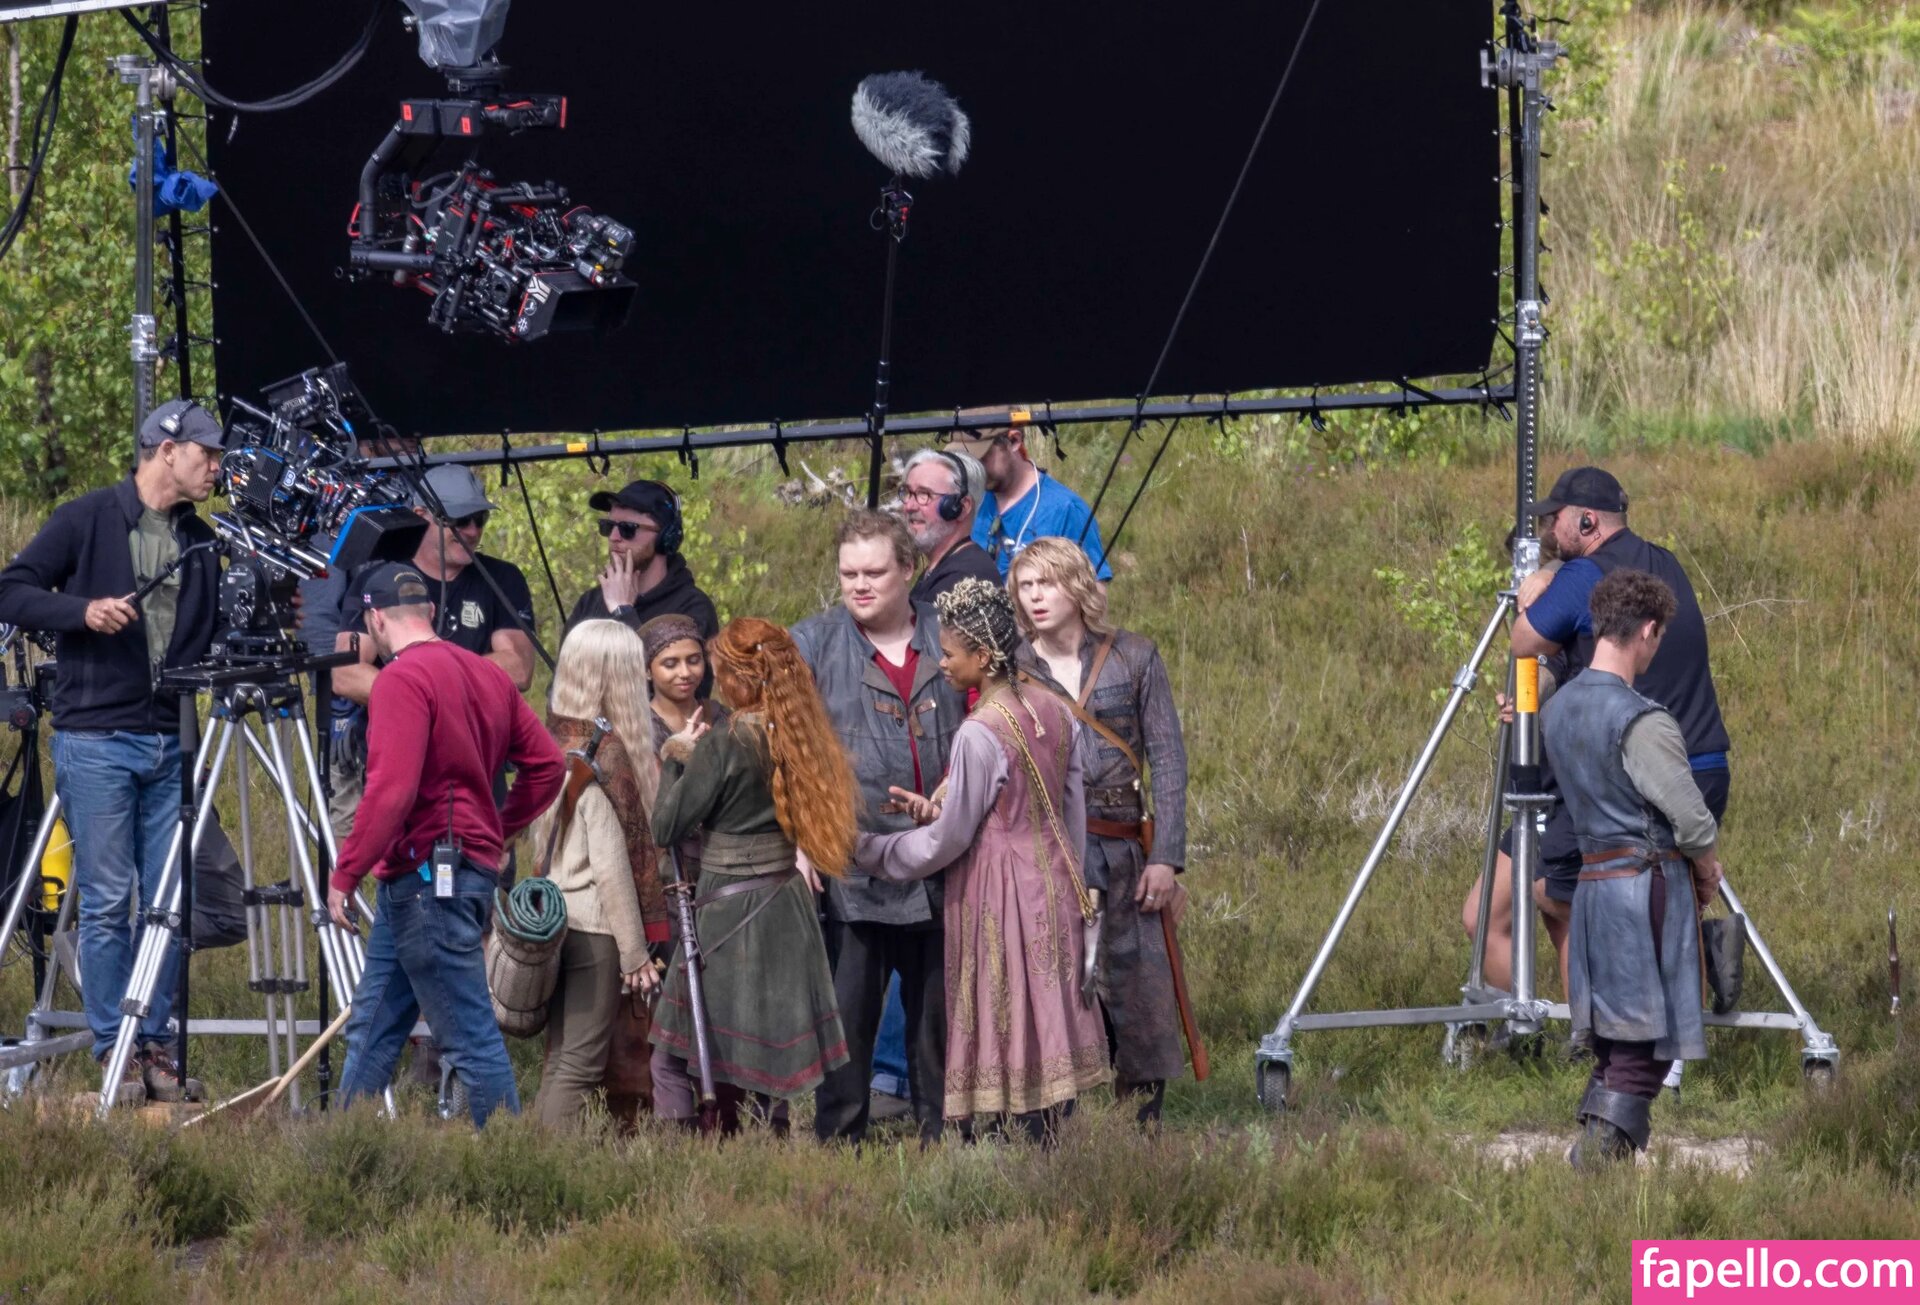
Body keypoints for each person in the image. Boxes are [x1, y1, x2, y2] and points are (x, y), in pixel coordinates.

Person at [0, 399, 226, 1106]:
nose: (216, 469)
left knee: (166, 905)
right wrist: (83, 611)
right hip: (97, 737)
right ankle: (114, 1047)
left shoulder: (202, 540)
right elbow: (11, 591)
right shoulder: (87, 517)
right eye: (207, 454)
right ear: (167, 449)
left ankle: (153, 1042)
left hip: (171, 738)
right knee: (104, 902)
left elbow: (212, 632)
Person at [1464, 467, 1730, 1027]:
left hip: (1634, 775)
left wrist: (1544, 581)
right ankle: (1600, 1033)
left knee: (1570, 898)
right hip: (1699, 765)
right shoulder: (1665, 563)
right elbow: (1571, 658)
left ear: (1587, 522)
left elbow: (1524, 640)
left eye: (1555, 519)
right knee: (1605, 902)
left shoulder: (1585, 574)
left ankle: (1612, 1035)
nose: (1548, 530)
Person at [857, 579, 1109, 1143]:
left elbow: (948, 840)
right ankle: (1052, 1133)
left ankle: (1016, 1132)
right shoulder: (1053, 709)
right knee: (1045, 1003)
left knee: (1006, 1002)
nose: (942, 663)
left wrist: (873, 852)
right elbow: (1071, 811)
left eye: (949, 653)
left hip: (998, 886)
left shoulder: (979, 731)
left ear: (984, 656)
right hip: (1055, 878)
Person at [327, 564, 564, 1127]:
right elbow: (549, 766)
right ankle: (343, 1150)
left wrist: (345, 873)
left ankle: (508, 1164)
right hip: (443, 875)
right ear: (430, 612)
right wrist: (499, 828)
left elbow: (392, 792)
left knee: (470, 1038)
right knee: (372, 1027)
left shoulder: (400, 680)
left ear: (375, 620)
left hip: (427, 880)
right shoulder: (487, 674)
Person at [792, 511, 968, 1145]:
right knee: (846, 1024)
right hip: (852, 867)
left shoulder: (954, 636)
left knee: (938, 1025)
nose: (859, 586)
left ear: (908, 569)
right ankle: (839, 1149)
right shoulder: (811, 644)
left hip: (942, 863)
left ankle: (944, 1142)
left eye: (873, 573)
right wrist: (798, 843)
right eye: (849, 575)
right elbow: (783, 751)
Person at [1540, 570, 1721, 1167]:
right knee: (1642, 1049)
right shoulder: (1642, 720)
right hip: (1644, 891)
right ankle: (1591, 1167)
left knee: (1616, 1045)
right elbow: (1692, 822)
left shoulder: (1557, 709)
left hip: (1594, 891)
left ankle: (1594, 1173)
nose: (1655, 648)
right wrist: (1707, 871)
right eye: (1658, 637)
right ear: (1647, 630)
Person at [647, 617, 858, 1125]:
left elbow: (666, 826)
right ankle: (772, 1143)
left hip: (729, 904)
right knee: (770, 1056)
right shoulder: (801, 731)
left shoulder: (726, 740)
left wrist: (676, 757)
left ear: (738, 677)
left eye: (718, 669)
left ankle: (679, 1156)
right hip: (786, 902)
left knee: (671, 1056)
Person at [1010, 538, 1191, 1124]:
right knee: (1055, 981)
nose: (1035, 596)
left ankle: (1140, 1123)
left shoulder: (1134, 656)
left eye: (1047, 583)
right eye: (1025, 585)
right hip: (1049, 849)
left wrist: (1165, 858)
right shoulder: (1012, 666)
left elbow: (1168, 759)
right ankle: (1055, 1121)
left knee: (1139, 985)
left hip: (1125, 847)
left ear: (1077, 586)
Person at [329, 464, 539, 838]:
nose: (472, 531)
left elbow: (518, 667)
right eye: (459, 520)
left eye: (479, 519)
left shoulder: (501, 578)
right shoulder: (377, 578)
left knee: (484, 861)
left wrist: (433, 692)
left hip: (475, 757)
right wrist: (420, 705)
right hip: (395, 753)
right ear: (421, 515)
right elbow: (346, 672)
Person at [527, 620, 670, 1129]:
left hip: (554, 920)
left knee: (560, 1057)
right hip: (594, 929)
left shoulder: (553, 738)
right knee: (581, 1064)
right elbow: (611, 867)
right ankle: (548, 1164)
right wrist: (634, 953)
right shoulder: (606, 755)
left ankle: (532, 1152)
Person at [632, 612, 733, 1126]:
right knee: (670, 1007)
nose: (684, 672)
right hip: (661, 876)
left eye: (694, 660)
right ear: (648, 669)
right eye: (669, 663)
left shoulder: (721, 716)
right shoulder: (637, 724)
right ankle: (673, 1118)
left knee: (720, 1001)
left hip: (719, 874)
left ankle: (726, 1115)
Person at [948, 415, 1112, 581]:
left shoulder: (1066, 510)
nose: (974, 467)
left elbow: (1094, 591)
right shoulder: (967, 503)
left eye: (982, 456)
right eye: (966, 459)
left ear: (1014, 441)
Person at [562, 478, 720, 641]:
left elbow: (664, 659)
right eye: (608, 526)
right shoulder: (590, 602)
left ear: (666, 537)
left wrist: (623, 613)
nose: (614, 537)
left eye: (627, 528)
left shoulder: (691, 608)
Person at [901, 448, 1001, 605]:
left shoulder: (966, 581)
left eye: (924, 494)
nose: (909, 506)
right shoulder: (939, 570)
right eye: (907, 492)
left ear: (961, 508)